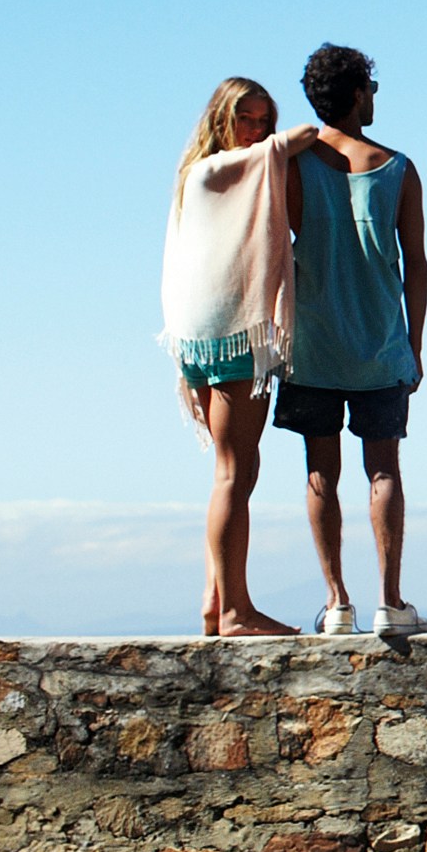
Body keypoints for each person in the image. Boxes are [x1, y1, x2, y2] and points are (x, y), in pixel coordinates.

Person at [158, 76, 325, 636]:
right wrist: (281, 141)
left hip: (201, 334)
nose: (255, 130)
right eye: (245, 118)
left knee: (237, 469)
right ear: (219, 120)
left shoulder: (193, 176)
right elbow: (305, 135)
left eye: (262, 120)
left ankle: (214, 598)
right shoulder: (220, 169)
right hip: (231, 335)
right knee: (234, 472)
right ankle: (235, 611)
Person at [274, 43, 427, 638]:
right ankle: (390, 601)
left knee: (320, 469)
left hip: (311, 342)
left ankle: (337, 602)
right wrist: (414, 343)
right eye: (371, 85)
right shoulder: (397, 168)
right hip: (381, 343)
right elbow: (414, 262)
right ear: (358, 92)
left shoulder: (295, 165)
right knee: (383, 469)